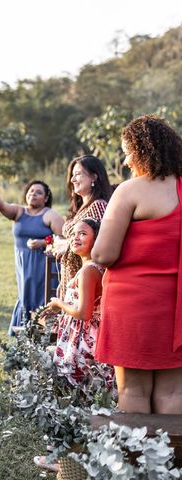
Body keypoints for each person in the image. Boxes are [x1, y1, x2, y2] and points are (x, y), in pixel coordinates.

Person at [93, 115, 182, 414]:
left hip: (135, 305)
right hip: (176, 308)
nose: (127, 160)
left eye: (128, 151)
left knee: (133, 390)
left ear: (142, 150)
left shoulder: (130, 190)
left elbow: (103, 255)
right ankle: (172, 461)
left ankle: (135, 462)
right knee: (174, 393)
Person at [0, 176, 64, 334]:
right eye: (31, 191)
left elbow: (63, 241)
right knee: (25, 297)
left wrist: (44, 243)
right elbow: (2, 207)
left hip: (44, 267)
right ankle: (24, 335)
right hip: (23, 266)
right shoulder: (19, 212)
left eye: (39, 192)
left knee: (41, 300)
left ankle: (43, 335)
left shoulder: (50, 215)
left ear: (46, 198)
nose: (33, 194)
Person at [48, 218, 113, 388]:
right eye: (73, 234)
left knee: (81, 385)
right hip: (83, 331)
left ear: (96, 239)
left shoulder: (89, 271)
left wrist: (59, 303)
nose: (76, 238)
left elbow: (84, 313)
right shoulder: (92, 267)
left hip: (84, 337)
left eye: (83, 234)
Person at [51, 155, 111, 298]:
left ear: (94, 177)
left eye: (77, 174)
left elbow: (100, 245)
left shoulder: (98, 206)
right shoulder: (82, 207)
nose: (72, 180)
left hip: (84, 284)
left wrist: (66, 244)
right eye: (72, 175)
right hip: (72, 280)